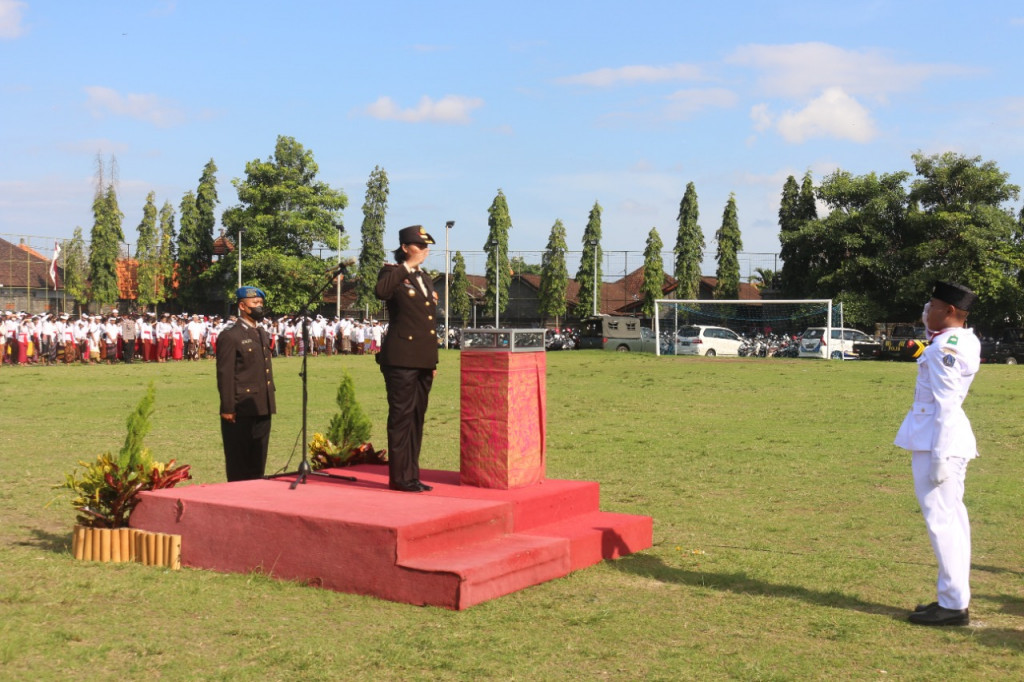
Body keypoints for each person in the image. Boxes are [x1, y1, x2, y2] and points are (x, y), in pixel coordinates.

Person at [894, 281, 980, 627]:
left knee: (942, 522)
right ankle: (952, 598)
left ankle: (953, 606)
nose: (925, 310)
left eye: (931, 305)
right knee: (952, 522)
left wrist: (941, 457)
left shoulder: (946, 348)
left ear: (949, 311)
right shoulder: (961, 340)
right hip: (940, 438)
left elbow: (945, 404)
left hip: (937, 442)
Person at [375, 225, 439, 493]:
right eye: (419, 246)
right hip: (400, 359)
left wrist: (432, 362)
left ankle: (411, 474)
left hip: (422, 360)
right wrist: (407, 266)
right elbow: (381, 292)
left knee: (416, 418)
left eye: (426, 247)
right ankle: (399, 477)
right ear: (405, 248)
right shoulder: (392, 272)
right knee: (401, 417)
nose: (424, 251)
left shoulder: (424, 278)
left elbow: (427, 323)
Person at [216, 286, 276, 482]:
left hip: (262, 404)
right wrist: (228, 407)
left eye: (260, 303)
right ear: (242, 306)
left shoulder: (261, 333)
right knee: (239, 464)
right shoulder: (230, 335)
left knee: (258, 462)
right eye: (254, 303)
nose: (259, 307)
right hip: (240, 407)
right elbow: (225, 374)